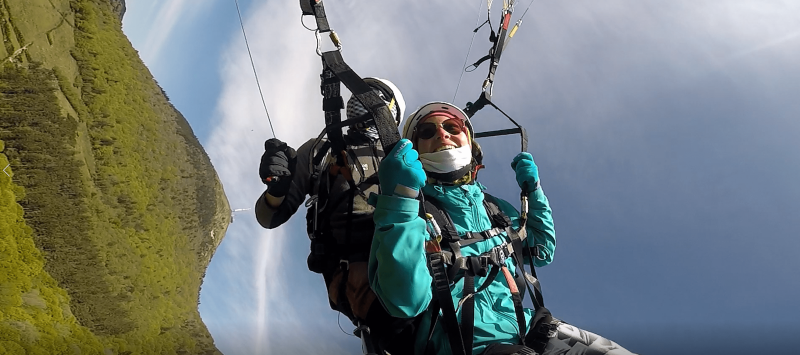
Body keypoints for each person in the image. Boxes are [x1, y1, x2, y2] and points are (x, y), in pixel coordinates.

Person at [368, 101, 636, 355]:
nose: (442, 133)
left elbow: (541, 250)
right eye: (428, 131)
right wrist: (401, 198)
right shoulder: (409, 214)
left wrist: (533, 191)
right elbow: (406, 300)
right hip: (470, 342)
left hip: (532, 327)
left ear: (470, 145)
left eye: (452, 127)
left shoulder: (495, 209)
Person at [254, 77, 416, 353]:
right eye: (359, 97)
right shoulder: (322, 149)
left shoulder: (406, 158)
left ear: (391, 114)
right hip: (349, 268)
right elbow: (269, 216)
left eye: (375, 99)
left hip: (409, 260)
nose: (364, 104)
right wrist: (277, 187)